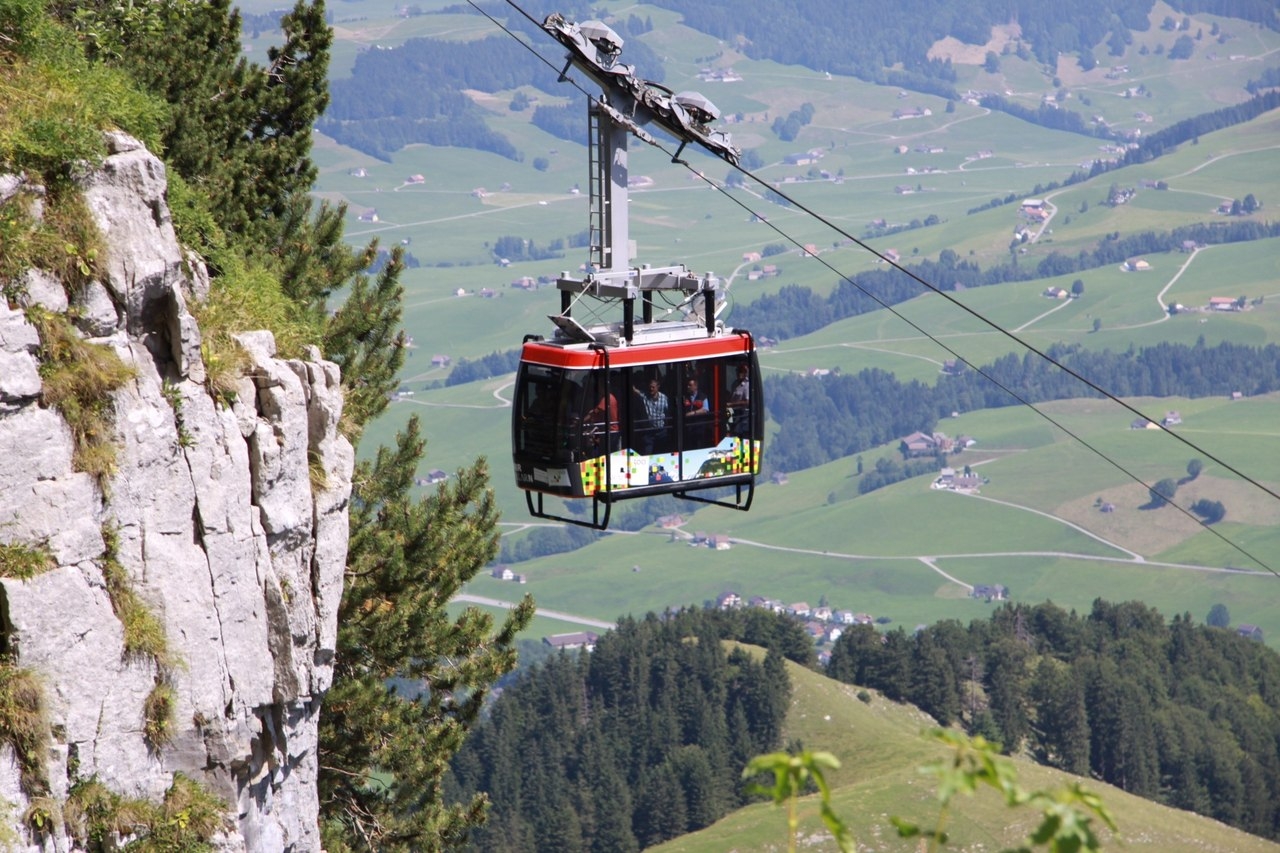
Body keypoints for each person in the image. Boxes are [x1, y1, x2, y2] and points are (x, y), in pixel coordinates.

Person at [632, 377, 670, 454]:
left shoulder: (664, 398)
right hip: (649, 432)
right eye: (650, 387)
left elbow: (668, 412)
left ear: (658, 387)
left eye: (653, 387)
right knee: (647, 452)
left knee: (660, 453)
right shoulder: (645, 396)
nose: (651, 389)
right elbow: (637, 391)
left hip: (661, 431)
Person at [584, 387, 620, 452]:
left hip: (610, 430)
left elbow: (596, 412)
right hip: (613, 430)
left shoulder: (607, 398)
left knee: (605, 452)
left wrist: (581, 422)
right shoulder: (612, 397)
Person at [682, 376, 710, 446]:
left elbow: (705, 409)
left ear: (695, 386)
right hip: (688, 427)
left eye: (690, 385)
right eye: (687, 385)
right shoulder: (684, 397)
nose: (688, 387)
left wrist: (693, 413)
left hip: (699, 427)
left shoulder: (703, 396)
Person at [727, 363, 751, 437]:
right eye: (738, 372)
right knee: (728, 423)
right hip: (731, 410)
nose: (738, 374)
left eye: (741, 372)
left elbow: (747, 402)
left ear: (744, 373)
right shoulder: (735, 383)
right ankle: (728, 431)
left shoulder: (747, 385)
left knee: (737, 429)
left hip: (741, 412)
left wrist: (732, 404)